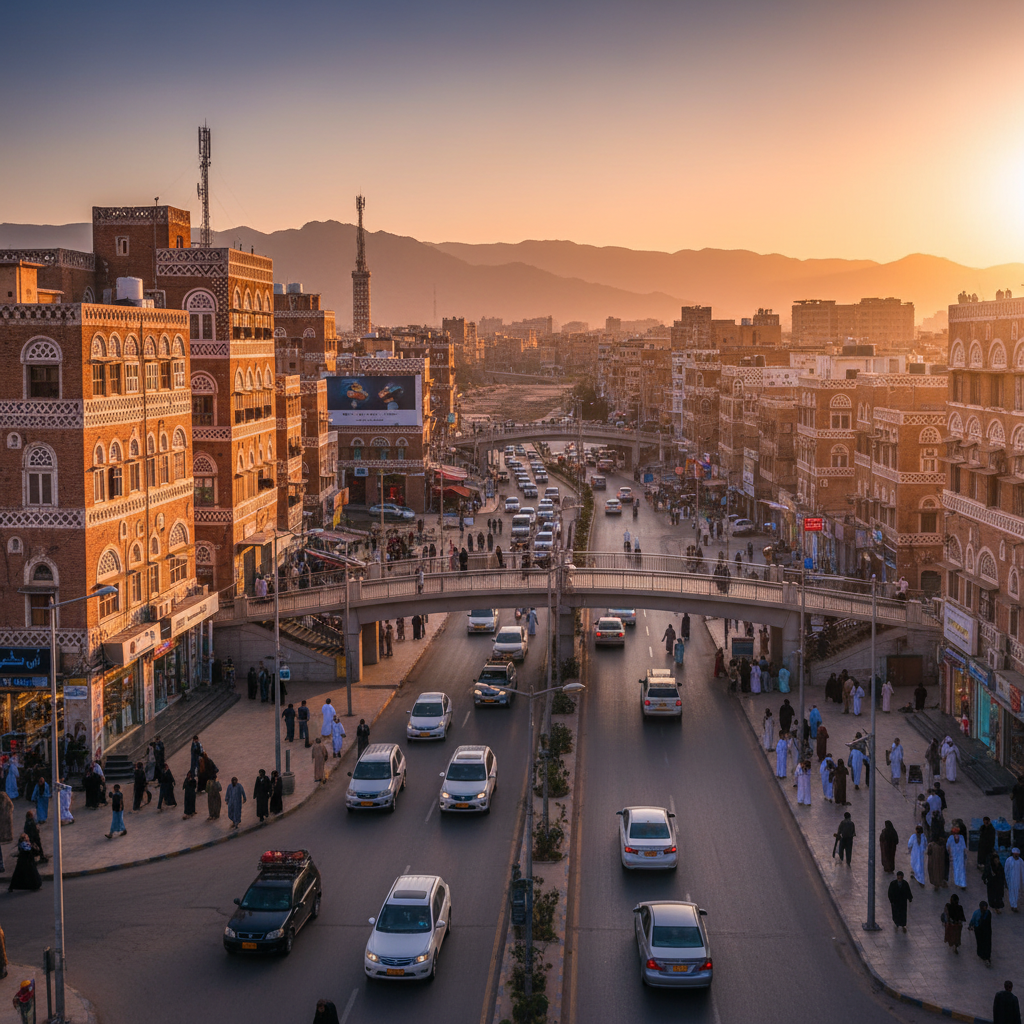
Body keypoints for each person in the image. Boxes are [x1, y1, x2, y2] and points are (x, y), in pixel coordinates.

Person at [969, 901, 993, 967]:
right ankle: (981, 954)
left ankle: (987, 956)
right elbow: (973, 920)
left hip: (986, 930)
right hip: (979, 930)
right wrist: (971, 925)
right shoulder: (977, 913)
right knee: (980, 942)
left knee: (987, 943)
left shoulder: (988, 913)